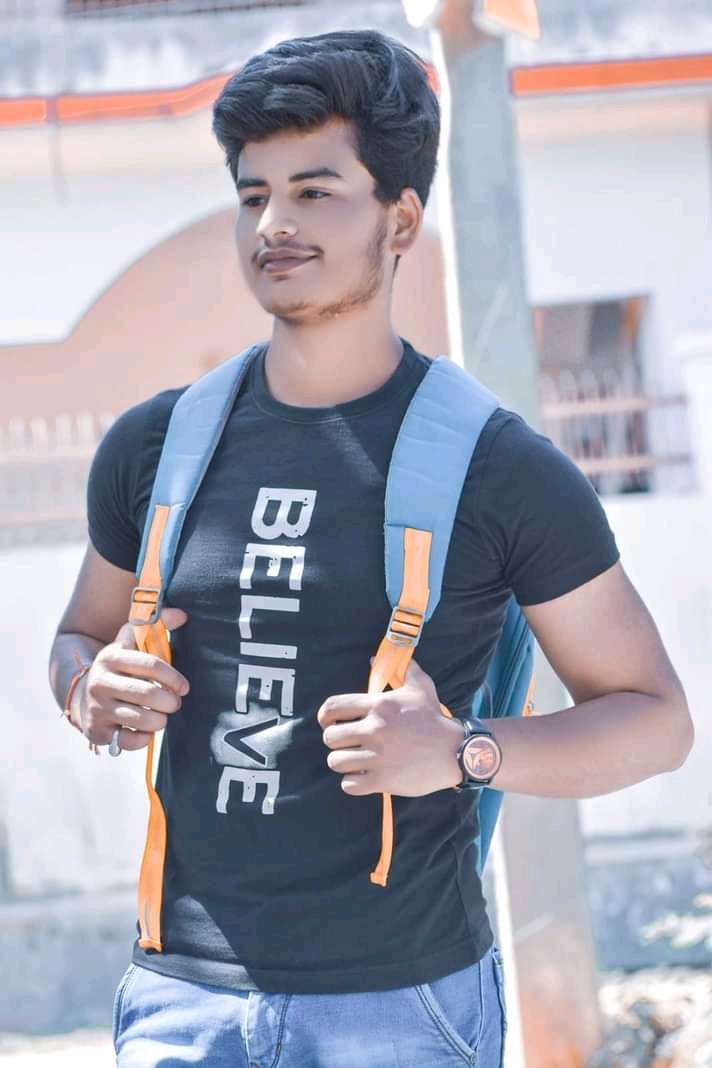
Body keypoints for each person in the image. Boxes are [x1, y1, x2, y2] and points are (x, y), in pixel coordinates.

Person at [48, 28, 693, 1068]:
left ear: (400, 219)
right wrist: (90, 687)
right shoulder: (156, 445)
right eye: (254, 194)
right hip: (180, 1001)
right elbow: (78, 639)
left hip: (402, 1008)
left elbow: (656, 720)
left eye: (315, 190)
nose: (275, 223)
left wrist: (463, 752)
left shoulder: (499, 468)